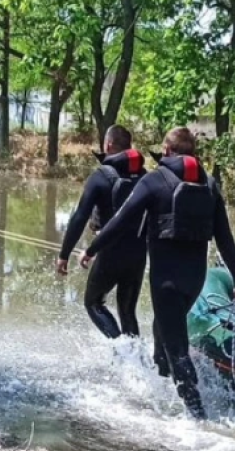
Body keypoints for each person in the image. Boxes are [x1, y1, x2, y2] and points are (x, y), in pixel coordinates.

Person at [78, 127, 235, 420]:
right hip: (194, 280)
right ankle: (159, 392)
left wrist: (92, 248)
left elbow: (121, 221)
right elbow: (226, 239)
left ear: (167, 151)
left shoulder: (154, 180)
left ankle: (198, 419)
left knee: (176, 349)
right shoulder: (209, 185)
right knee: (162, 334)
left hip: (166, 282)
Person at [56, 125, 148, 339]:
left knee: (93, 303)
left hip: (110, 251)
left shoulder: (100, 176)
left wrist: (64, 254)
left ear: (108, 145)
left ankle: (123, 352)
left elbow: (79, 218)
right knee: (127, 311)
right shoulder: (145, 176)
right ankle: (138, 361)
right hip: (138, 253)